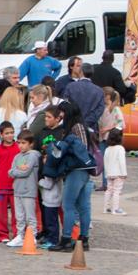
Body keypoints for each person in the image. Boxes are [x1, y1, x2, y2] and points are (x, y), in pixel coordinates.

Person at [44, 101, 94, 253]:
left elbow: (81, 149)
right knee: (84, 206)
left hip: (76, 169)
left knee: (68, 205)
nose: (60, 116)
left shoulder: (75, 128)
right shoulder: (81, 126)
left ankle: (66, 239)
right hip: (85, 169)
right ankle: (83, 239)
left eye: (61, 113)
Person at [7, 130, 41, 248]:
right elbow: (11, 172)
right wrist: (18, 170)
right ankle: (20, 235)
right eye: (19, 143)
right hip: (17, 190)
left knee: (30, 215)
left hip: (29, 190)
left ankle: (32, 235)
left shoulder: (33, 155)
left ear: (30, 144)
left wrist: (17, 171)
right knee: (19, 215)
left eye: (24, 143)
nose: (21, 145)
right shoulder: (17, 156)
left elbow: (26, 171)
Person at [0, 123, 21, 243]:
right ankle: (2, 234)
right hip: (0, 187)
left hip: (15, 186)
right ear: (1, 135)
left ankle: (18, 233)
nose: (10, 135)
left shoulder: (18, 148)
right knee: (0, 213)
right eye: (7, 133)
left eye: (12, 132)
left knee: (17, 212)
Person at [97, 86, 126, 192]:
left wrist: (107, 129)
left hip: (111, 137)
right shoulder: (103, 108)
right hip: (103, 137)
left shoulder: (115, 109)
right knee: (104, 160)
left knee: (110, 161)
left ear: (107, 96)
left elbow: (121, 124)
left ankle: (110, 183)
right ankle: (105, 183)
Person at [62, 63, 105, 133]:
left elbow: (65, 105)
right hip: (91, 128)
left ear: (81, 72)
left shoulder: (70, 86)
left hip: (71, 126)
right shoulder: (99, 90)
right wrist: (86, 122)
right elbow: (99, 110)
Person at [103, 127, 129, 216]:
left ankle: (106, 208)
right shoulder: (120, 148)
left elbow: (105, 162)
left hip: (109, 173)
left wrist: (106, 173)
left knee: (109, 190)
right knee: (117, 191)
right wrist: (124, 173)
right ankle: (116, 209)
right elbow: (122, 162)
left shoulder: (107, 149)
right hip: (118, 173)